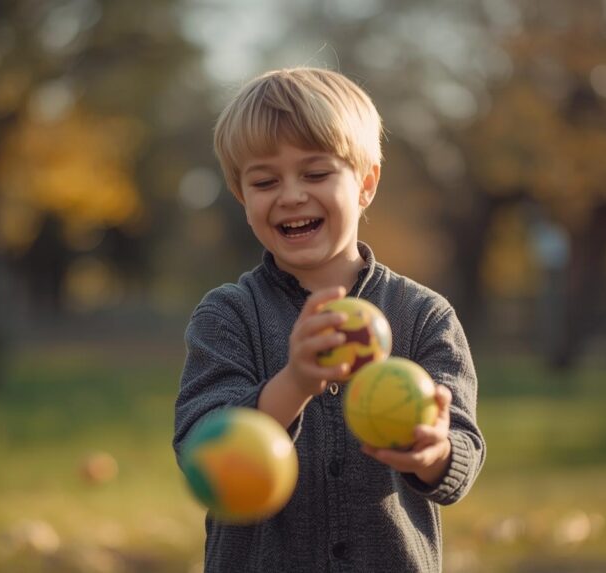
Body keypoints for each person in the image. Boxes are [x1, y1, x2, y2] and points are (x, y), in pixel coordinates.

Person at [173, 67, 485, 572]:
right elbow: (200, 451)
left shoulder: (424, 316)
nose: (291, 195)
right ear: (242, 197)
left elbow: (462, 452)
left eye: (316, 174)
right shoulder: (228, 315)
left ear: (365, 184)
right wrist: (295, 381)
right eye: (265, 181)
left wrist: (433, 453)